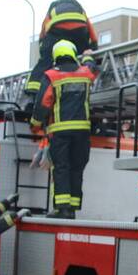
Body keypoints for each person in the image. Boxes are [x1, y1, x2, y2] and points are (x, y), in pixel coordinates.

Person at [30, 40, 98, 218]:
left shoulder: (51, 76)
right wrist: (88, 57)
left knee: (61, 168)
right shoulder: (85, 73)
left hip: (60, 132)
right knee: (77, 167)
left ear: (55, 56)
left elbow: (42, 104)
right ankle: (73, 209)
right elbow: (92, 67)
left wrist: (35, 124)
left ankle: (62, 209)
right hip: (82, 131)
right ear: (73, 53)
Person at [23, 0, 97, 110]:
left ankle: (33, 90)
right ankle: (82, 78)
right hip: (80, 30)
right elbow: (91, 31)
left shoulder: (52, 11)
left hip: (57, 29)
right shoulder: (79, 10)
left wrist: (45, 54)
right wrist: (92, 48)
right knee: (81, 57)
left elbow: (43, 34)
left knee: (44, 62)